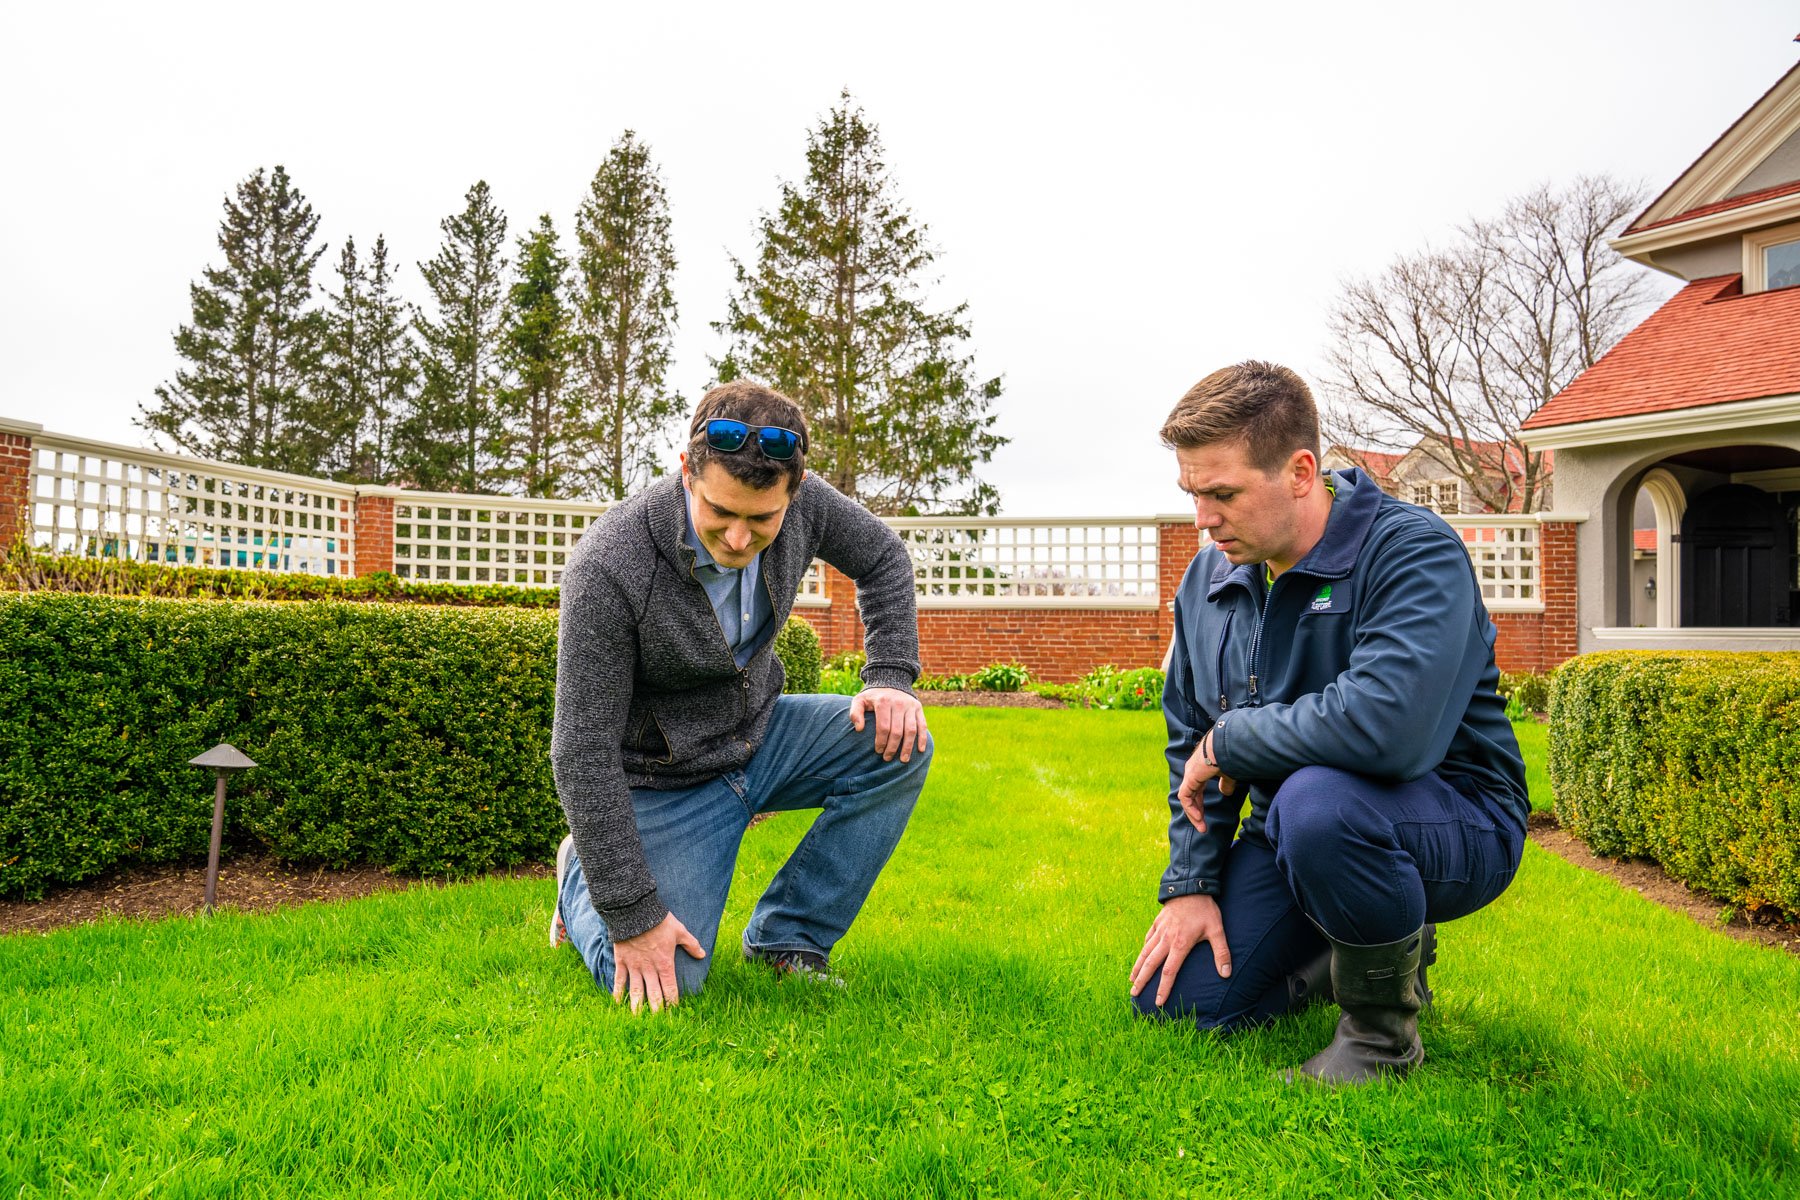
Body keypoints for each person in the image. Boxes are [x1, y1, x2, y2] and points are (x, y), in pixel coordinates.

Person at [1127, 361, 1527, 1085]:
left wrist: (1235, 739)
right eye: (1193, 494)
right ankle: (1350, 947)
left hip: (1451, 817)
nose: (1203, 519)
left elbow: (1389, 729)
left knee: (1320, 802)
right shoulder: (1209, 578)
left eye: (1223, 493)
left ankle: (1380, 1039)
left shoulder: (1413, 552)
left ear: (1302, 471)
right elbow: (1191, 735)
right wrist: (1189, 885)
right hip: (1294, 833)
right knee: (1181, 1005)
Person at [548, 379, 933, 1013]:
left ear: (795, 493)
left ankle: (789, 940)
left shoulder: (807, 505)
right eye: (718, 512)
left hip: (759, 736)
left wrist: (890, 676)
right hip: (665, 781)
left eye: (761, 520)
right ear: (686, 473)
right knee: (667, 983)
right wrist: (630, 909)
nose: (736, 538)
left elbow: (885, 557)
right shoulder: (609, 565)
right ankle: (579, 882)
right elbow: (582, 750)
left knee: (899, 745)